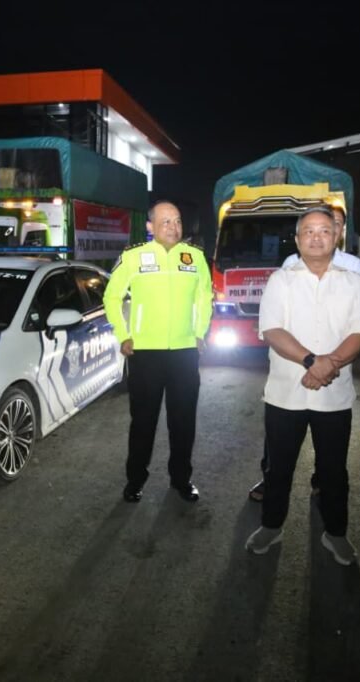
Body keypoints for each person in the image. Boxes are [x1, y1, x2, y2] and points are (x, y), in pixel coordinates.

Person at [245, 207, 360, 564]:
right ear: (298, 239)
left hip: (334, 397)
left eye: (324, 231)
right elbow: (272, 330)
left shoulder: (353, 282)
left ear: (337, 237)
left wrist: (328, 364)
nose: (317, 238)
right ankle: (271, 526)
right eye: (309, 231)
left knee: (334, 471)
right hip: (285, 394)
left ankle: (336, 533)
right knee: (278, 469)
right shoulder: (281, 280)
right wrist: (311, 361)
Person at [103, 200, 213, 503]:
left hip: (184, 353)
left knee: (183, 422)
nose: (173, 227)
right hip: (145, 354)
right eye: (166, 222)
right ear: (150, 226)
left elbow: (205, 297)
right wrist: (123, 334)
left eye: (177, 221)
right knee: (143, 422)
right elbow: (111, 297)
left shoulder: (194, 257)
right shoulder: (133, 256)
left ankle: (181, 479)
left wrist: (200, 333)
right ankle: (135, 480)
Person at [280, 206, 360, 278]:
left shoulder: (353, 265)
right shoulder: (291, 263)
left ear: (342, 232)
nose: (317, 237)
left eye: (336, 223)